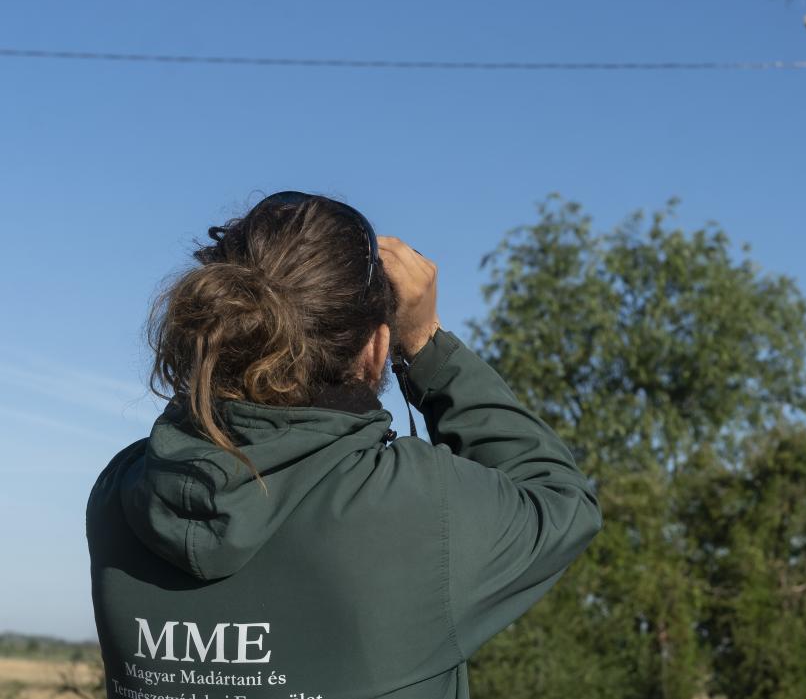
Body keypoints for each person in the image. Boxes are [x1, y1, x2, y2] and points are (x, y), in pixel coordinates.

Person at [86, 191, 603, 699]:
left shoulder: (120, 494)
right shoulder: (416, 509)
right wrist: (426, 344)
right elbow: (558, 498)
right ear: (376, 347)